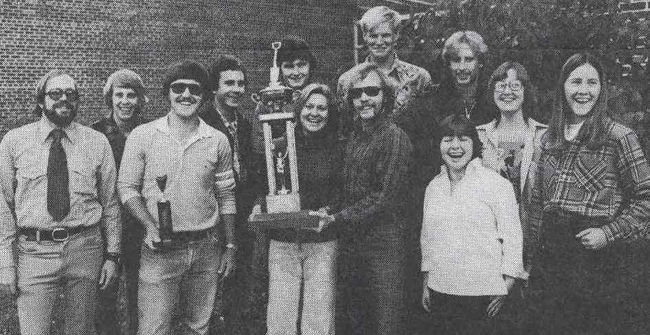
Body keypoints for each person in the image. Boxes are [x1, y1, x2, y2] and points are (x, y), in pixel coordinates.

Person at [527, 53, 650, 334]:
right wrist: (530, 261)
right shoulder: (549, 139)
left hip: (594, 256)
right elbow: (537, 203)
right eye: (576, 82)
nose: (583, 91)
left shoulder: (618, 136)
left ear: (601, 89)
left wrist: (608, 233)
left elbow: (646, 197)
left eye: (591, 83)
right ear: (563, 88)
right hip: (551, 254)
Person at [118, 60, 237, 335]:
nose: (186, 95)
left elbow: (226, 195)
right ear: (167, 94)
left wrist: (230, 246)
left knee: (198, 326)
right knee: (154, 328)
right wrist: (149, 225)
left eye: (194, 89)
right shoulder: (143, 135)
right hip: (159, 251)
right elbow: (127, 188)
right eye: (178, 88)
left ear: (205, 96)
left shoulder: (218, 140)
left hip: (207, 247)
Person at [0, 70, 121, 334]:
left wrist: (112, 255)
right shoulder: (14, 142)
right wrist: (5, 263)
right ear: (41, 101)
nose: (64, 99)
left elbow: (110, 202)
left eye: (71, 94)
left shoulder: (97, 142)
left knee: (81, 329)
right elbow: (3, 207)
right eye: (55, 94)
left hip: (86, 248)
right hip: (34, 251)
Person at [314, 63, 412, 335]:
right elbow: (347, 189)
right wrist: (330, 209)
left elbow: (384, 197)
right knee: (355, 320)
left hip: (384, 244)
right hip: (352, 243)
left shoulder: (395, 138)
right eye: (357, 93)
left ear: (385, 96)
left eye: (372, 91)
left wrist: (336, 217)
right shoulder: (354, 137)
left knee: (385, 322)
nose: (364, 98)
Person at [420, 114, 524, 335]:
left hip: (483, 295)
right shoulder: (434, 187)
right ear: (439, 145)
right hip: (442, 289)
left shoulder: (496, 185)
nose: (455, 146)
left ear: (474, 144)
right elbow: (427, 238)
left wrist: (507, 285)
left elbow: (513, 236)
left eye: (463, 139)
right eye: (448, 139)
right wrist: (426, 283)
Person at [255, 83, 344, 335]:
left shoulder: (339, 146)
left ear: (330, 112)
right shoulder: (279, 143)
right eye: (309, 106)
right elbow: (265, 185)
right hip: (283, 240)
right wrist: (260, 207)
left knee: (319, 317)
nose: (314, 113)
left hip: (321, 240)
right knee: (280, 317)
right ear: (298, 109)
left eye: (322, 108)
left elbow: (344, 190)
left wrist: (329, 211)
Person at [200, 54, 258, 333]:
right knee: (207, 293)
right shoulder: (202, 124)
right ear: (214, 88)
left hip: (241, 218)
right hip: (211, 219)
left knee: (238, 289)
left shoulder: (244, 125)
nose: (237, 89)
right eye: (229, 83)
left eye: (241, 83)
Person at [476, 62, 547, 274]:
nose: (507, 92)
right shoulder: (479, 136)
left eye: (515, 86)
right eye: (501, 86)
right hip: (491, 236)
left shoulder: (544, 136)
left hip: (534, 233)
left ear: (526, 91)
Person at [92, 68, 148, 335]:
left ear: (139, 100)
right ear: (110, 98)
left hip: (139, 220)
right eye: (119, 95)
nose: (125, 101)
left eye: (131, 95)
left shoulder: (149, 132)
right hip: (107, 224)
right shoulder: (96, 134)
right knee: (106, 289)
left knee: (140, 288)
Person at [337, 5, 432, 139]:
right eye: (373, 36)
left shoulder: (419, 77)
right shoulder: (347, 80)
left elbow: (427, 128)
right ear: (364, 36)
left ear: (396, 35)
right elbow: (345, 129)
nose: (379, 42)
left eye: (386, 35)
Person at [421, 30, 491, 125]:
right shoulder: (432, 99)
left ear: (480, 63)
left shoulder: (493, 97)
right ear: (448, 64)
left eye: (469, 60)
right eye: (456, 60)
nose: (462, 67)